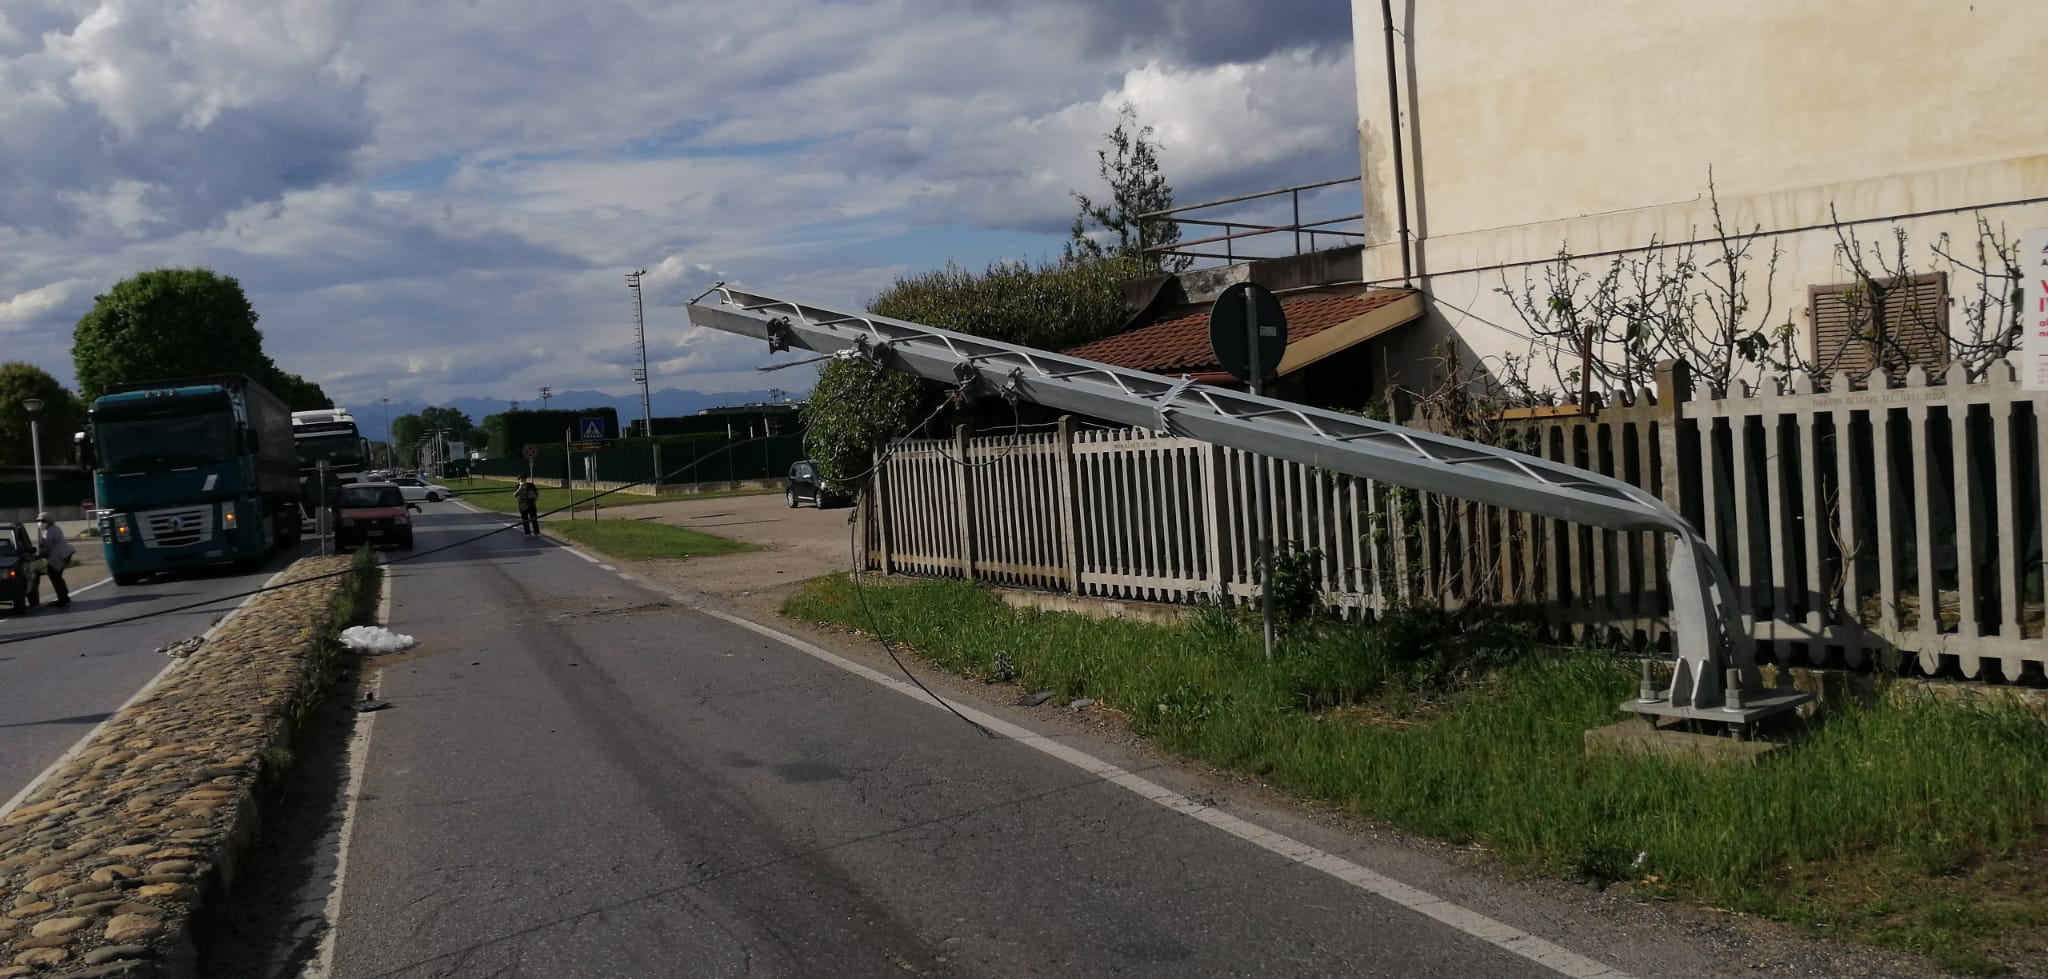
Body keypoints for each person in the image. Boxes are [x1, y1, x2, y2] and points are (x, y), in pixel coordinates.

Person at [36, 512, 74, 607]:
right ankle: (64, 596)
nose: (40, 523)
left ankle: (62, 598)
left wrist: (39, 555)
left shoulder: (48, 531)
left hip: (57, 557)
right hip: (64, 555)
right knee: (57, 577)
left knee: (55, 577)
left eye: (43, 521)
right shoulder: (55, 528)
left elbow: (47, 547)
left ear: (48, 521)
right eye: (39, 521)